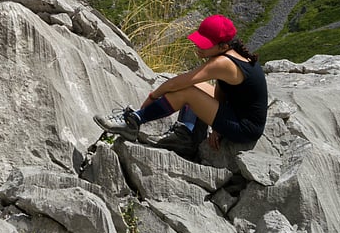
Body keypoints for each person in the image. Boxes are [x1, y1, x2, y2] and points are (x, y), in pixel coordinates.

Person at [94, 14, 268, 157]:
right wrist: (217, 126)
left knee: (187, 91)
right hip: (237, 114)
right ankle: (186, 133)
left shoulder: (222, 63)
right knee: (196, 87)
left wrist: (153, 96)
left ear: (222, 46)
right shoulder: (231, 54)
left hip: (245, 129)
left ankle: (134, 122)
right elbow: (221, 92)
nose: (198, 46)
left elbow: (180, 82)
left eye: (205, 45)